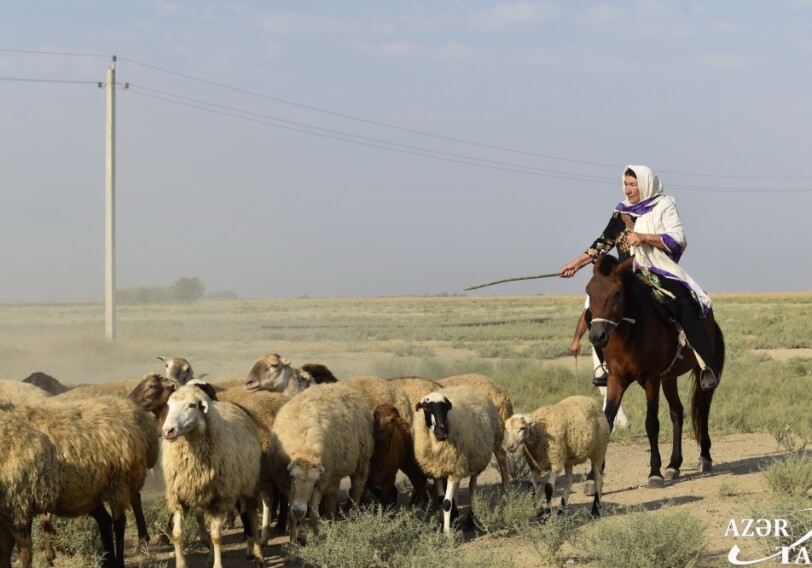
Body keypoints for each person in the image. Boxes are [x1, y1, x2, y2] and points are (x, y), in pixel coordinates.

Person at [559, 164, 720, 391]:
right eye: (625, 184)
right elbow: (602, 243)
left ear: (644, 184)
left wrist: (643, 237)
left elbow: (677, 239)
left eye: (633, 184)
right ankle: (606, 367)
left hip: (654, 269)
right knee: (593, 309)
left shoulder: (662, 205)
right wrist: (574, 265)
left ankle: (708, 366)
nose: (628, 189)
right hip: (624, 274)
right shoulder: (620, 211)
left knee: (684, 302)